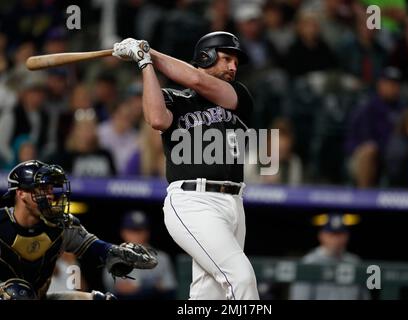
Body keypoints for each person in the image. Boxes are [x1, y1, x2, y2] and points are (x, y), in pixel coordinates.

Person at [112, 31, 259, 300]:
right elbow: (156, 119)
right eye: (227, 58)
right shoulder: (178, 99)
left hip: (235, 203)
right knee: (241, 278)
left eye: (236, 61)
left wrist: (148, 51)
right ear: (206, 57)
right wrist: (144, 63)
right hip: (193, 201)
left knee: (208, 294)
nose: (233, 67)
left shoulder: (238, 95)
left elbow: (195, 77)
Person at [0, 160, 158, 300]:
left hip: (40, 297)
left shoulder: (60, 226)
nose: (49, 195)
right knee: (17, 293)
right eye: (41, 189)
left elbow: (93, 247)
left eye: (50, 189)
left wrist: (114, 252)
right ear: (21, 193)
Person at [289, 213, 370, 300]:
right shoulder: (309, 262)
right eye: (331, 235)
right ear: (321, 236)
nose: (335, 240)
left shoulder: (355, 262)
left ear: (347, 236)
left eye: (339, 234)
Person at [103, 211, 177, 300]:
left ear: (147, 232)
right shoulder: (113, 256)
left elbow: (169, 287)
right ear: (123, 232)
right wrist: (153, 286)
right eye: (132, 231)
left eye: (140, 230)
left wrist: (139, 288)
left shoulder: (162, 257)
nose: (137, 235)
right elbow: (116, 288)